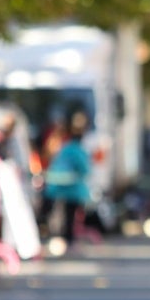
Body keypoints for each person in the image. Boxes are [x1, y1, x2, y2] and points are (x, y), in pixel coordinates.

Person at [43, 108, 91, 254]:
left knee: (56, 215)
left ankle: (55, 237)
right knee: (69, 217)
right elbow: (85, 169)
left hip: (55, 187)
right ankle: (67, 240)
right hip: (72, 189)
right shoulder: (78, 150)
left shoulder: (64, 148)